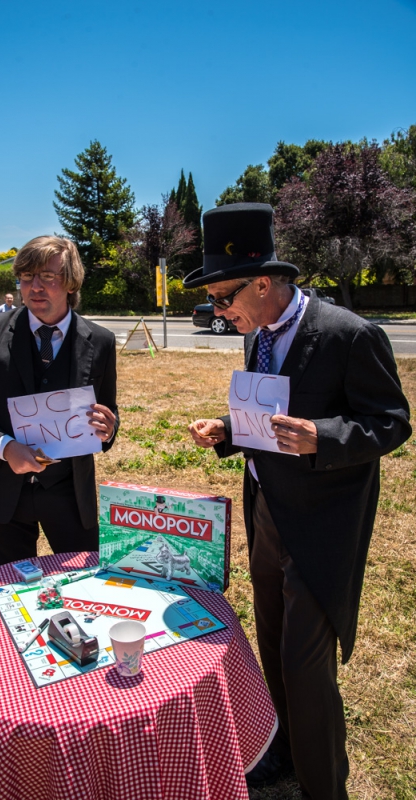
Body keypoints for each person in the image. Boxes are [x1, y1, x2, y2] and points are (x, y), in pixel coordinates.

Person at [184, 203, 411, 800]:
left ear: (262, 283)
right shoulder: (255, 334)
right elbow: (267, 417)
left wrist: (322, 437)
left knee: (306, 667)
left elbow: (392, 422)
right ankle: (284, 751)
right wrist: (229, 431)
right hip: (266, 512)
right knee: (272, 644)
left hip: (321, 526)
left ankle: (323, 785)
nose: (218, 311)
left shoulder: (349, 335)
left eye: (224, 297)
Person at [0, 235, 119, 567]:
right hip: (2, 494)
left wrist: (108, 428)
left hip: (70, 493)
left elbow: (107, 409)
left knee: (84, 584)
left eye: (47, 276)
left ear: (71, 282)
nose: (35, 287)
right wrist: (5, 447)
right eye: (27, 276)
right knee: (14, 589)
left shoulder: (101, 341)